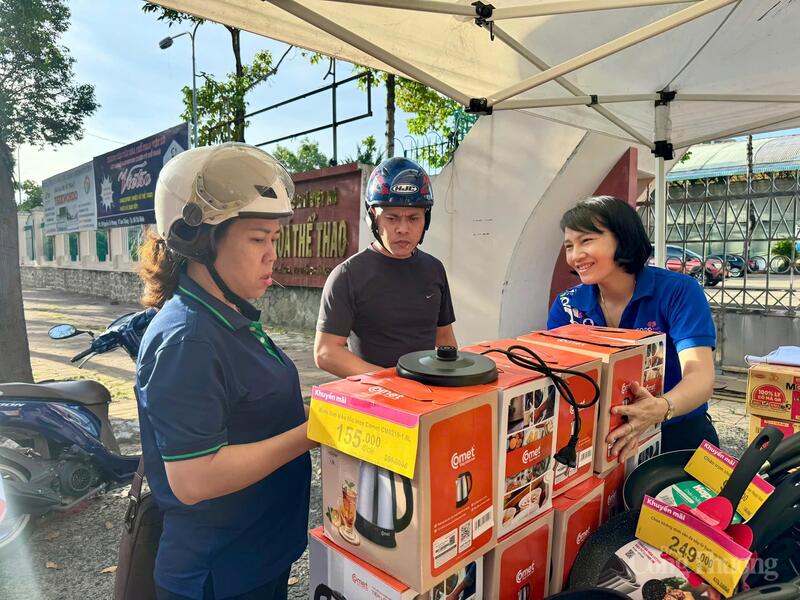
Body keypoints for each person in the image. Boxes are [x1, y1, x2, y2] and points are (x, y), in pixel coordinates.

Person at [135, 143, 316, 600]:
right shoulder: (188, 339)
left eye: (275, 239)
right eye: (258, 239)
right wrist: (315, 432)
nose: (272, 255)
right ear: (201, 241)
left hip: (257, 556)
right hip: (219, 576)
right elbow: (194, 478)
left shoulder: (227, 316)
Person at [547, 196, 718, 459]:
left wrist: (660, 408)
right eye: (569, 245)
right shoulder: (568, 305)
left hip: (679, 433)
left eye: (587, 240)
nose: (575, 255)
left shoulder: (677, 292)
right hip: (604, 440)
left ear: (623, 238)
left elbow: (700, 377)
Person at [314, 157, 457, 378]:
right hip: (374, 400)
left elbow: (445, 338)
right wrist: (391, 382)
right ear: (373, 219)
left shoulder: (434, 269)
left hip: (429, 396)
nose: (403, 228)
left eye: (413, 218)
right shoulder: (347, 276)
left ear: (425, 220)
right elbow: (326, 352)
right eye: (391, 218)